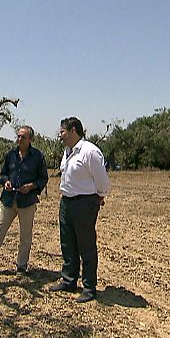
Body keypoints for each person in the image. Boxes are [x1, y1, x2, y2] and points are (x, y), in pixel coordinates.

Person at [0, 126, 49, 276]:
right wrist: (5, 182)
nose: (19, 139)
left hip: (27, 202)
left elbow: (43, 178)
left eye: (23, 137)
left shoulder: (38, 156)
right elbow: (3, 174)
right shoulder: (10, 154)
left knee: (25, 236)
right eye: (18, 136)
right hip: (8, 200)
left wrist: (31, 186)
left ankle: (21, 267)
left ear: (30, 139)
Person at [48, 117, 111, 303]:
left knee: (86, 245)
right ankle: (69, 281)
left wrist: (99, 196)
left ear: (73, 130)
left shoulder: (90, 151)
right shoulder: (67, 151)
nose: (60, 135)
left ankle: (89, 288)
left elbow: (102, 180)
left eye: (62, 131)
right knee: (68, 244)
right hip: (66, 202)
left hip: (85, 203)